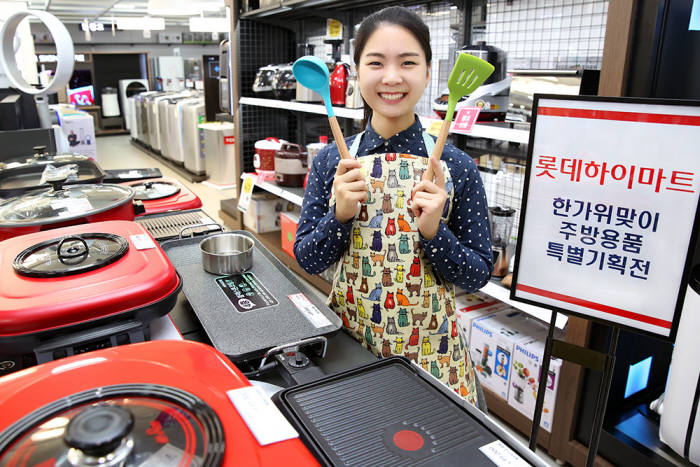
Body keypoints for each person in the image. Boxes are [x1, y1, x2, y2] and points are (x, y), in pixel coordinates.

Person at [294, 6, 493, 406]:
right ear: (356, 72)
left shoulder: (456, 167)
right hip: (351, 348)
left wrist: (436, 231)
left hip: (433, 357)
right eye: (376, 62)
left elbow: (476, 276)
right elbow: (308, 259)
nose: (392, 77)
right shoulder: (334, 161)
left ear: (428, 71)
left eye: (407, 62)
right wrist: (340, 216)